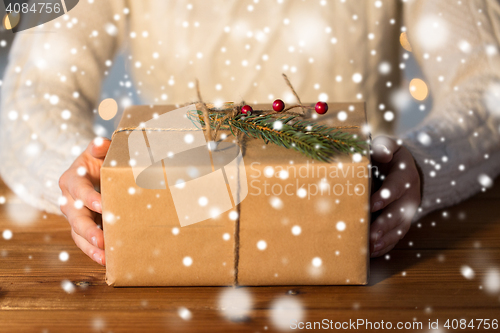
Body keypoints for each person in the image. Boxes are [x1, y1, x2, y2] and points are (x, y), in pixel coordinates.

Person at [1, 0, 499, 266]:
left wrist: (422, 162)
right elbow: (28, 93)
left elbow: (488, 80)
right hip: (172, 226)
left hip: (346, 222)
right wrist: (75, 174)